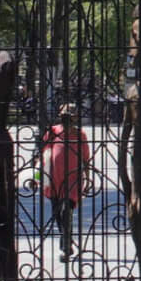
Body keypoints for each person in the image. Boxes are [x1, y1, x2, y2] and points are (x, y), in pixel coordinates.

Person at [41, 103, 89, 258]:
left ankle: (65, 246)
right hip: (54, 179)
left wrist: (88, 179)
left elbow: (86, 159)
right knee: (57, 214)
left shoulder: (80, 135)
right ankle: (67, 238)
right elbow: (43, 156)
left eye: (70, 117)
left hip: (72, 180)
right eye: (64, 117)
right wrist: (37, 178)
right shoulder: (53, 132)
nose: (67, 120)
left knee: (65, 211)